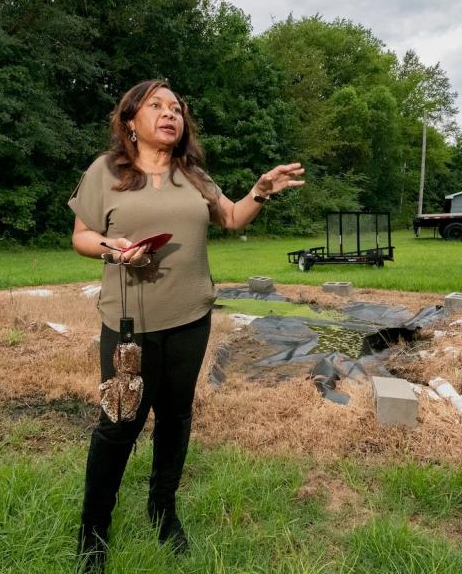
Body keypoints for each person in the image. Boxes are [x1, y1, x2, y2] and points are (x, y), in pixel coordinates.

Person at [68, 79, 303, 569]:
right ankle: (94, 530)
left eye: (175, 108)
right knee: (118, 424)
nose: (169, 114)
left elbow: (233, 219)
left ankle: (163, 509)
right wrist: (114, 248)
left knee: (175, 418)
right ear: (131, 121)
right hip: (129, 325)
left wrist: (259, 191)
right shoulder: (105, 171)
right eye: (156, 106)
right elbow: (83, 236)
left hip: (191, 319)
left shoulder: (193, 174)